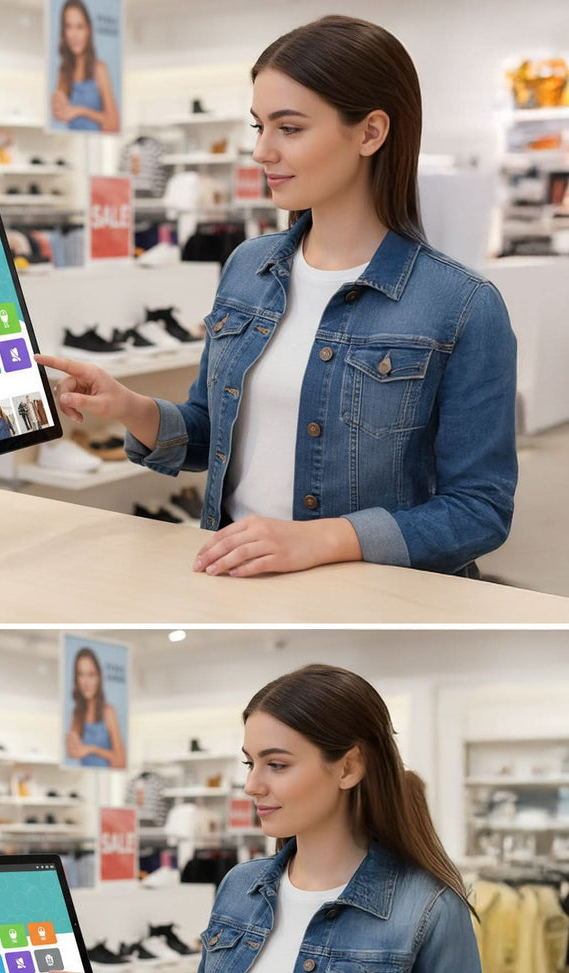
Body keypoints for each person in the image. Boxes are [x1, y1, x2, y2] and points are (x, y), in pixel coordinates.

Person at [37, 16, 517, 578]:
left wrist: (323, 540)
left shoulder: (461, 305)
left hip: (370, 601)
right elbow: (211, 431)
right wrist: (128, 407)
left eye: (288, 128)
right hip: (237, 586)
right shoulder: (247, 267)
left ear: (370, 132)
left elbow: (479, 510)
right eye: (258, 126)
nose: (262, 151)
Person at [51, 664, 487, 973]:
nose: (251, 786)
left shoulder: (428, 907)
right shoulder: (241, 887)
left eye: (276, 765)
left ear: (348, 767)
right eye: (249, 763)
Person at [52, 0, 120, 133]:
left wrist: (80, 110)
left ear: (88, 30)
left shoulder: (99, 69)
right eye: (69, 27)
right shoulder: (64, 71)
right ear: (64, 32)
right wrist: (57, 105)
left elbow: (114, 123)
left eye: (80, 27)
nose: (74, 35)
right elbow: (62, 115)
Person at [66, 647, 126, 768]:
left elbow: (121, 760)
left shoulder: (108, 712)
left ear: (98, 677)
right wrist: (70, 742)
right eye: (81, 675)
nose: (86, 682)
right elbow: (73, 753)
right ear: (76, 679)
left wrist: (92, 749)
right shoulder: (77, 714)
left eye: (91, 675)